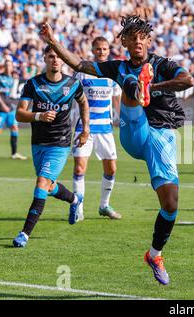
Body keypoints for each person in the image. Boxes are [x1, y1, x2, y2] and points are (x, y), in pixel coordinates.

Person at [39, 15, 194, 285]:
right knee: (129, 84)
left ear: (148, 40)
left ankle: (154, 255)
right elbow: (78, 64)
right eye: (131, 37)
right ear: (123, 41)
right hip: (135, 129)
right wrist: (53, 41)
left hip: (162, 136)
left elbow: (187, 80)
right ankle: (136, 88)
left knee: (171, 204)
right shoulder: (117, 67)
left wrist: (153, 86)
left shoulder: (163, 65)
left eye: (141, 37)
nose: (137, 41)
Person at [12, 45, 90, 247]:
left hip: (60, 143)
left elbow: (83, 103)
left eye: (58, 57)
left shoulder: (73, 84)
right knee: (48, 185)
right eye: (51, 56)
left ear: (63, 60)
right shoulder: (33, 84)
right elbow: (19, 114)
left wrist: (85, 129)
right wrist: (39, 116)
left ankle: (24, 234)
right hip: (38, 143)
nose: (55, 60)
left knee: (41, 183)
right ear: (45, 58)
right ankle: (74, 199)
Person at [71, 36, 122, 221]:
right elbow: (71, 96)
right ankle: (79, 208)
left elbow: (116, 101)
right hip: (84, 128)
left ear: (109, 51)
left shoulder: (113, 75)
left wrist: (123, 120)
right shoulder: (82, 73)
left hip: (105, 129)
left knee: (111, 169)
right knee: (79, 169)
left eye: (105, 49)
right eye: (98, 49)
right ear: (93, 50)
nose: (102, 52)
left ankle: (104, 205)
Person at [0, 59, 27, 160]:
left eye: (9, 65)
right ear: (4, 66)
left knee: (14, 127)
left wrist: (9, 105)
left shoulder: (12, 78)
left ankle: (14, 154)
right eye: (6, 65)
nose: (8, 67)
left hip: (10, 107)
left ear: (12, 67)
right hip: (1, 109)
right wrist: (3, 106)